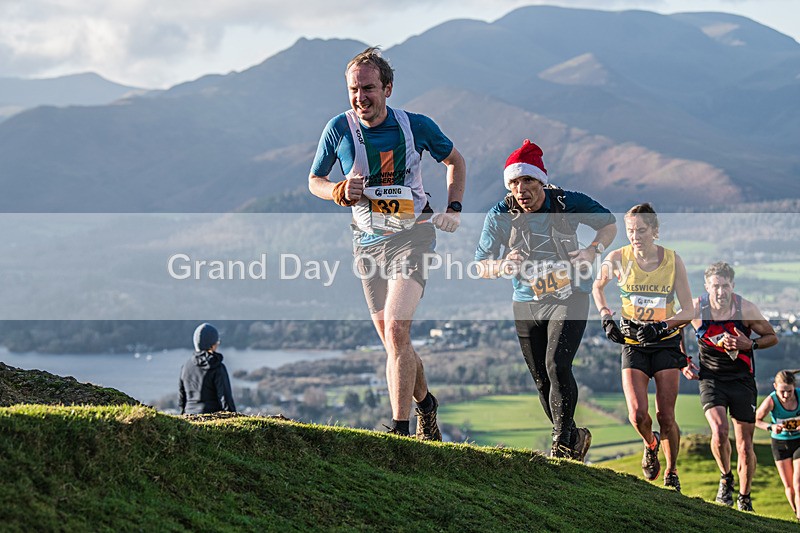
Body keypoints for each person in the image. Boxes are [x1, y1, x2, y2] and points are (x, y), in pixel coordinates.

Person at [308, 47, 466, 439]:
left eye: (368, 88)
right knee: (395, 341)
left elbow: (455, 162)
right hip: (367, 242)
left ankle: (399, 431)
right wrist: (338, 190)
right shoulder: (339, 129)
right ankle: (426, 405)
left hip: (413, 235)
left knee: (397, 328)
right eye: (353, 89)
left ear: (388, 89)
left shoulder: (415, 126)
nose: (360, 97)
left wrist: (455, 208)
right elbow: (315, 181)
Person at [476, 139, 616, 461]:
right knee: (541, 378)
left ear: (541, 180)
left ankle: (562, 448)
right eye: (513, 183)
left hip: (570, 295)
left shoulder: (566, 202)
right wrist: (500, 266)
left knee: (557, 365)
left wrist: (592, 250)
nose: (520, 189)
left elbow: (609, 223)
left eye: (527, 181)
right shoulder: (500, 213)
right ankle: (574, 435)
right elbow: (480, 264)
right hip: (526, 300)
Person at [592, 204, 694, 491]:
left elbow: (687, 310)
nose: (635, 236)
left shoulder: (673, 261)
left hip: (664, 343)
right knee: (637, 414)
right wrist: (605, 316)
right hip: (634, 342)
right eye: (630, 230)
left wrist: (662, 326)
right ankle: (651, 444)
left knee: (665, 415)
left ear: (655, 231)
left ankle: (671, 471)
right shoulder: (617, 258)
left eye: (641, 230)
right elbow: (597, 287)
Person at [685, 261, 778, 512]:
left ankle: (745, 498)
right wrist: (682, 361)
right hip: (711, 378)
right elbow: (673, 330)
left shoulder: (745, 308)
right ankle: (726, 478)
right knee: (718, 430)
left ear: (732, 286)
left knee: (745, 445)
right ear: (707, 286)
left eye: (725, 286)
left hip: (742, 381)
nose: (720, 291)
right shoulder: (697, 307)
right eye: (715, 286)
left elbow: (772, 336)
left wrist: (750, 344)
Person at [755, 369, 800, 521]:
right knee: (789, 486)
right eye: (782, 391)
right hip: (779, 442)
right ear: (775, 386)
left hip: (799, 441)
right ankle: (796, 513)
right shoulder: (771, 400)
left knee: (798, 481)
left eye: (789, 391)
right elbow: (757, 420)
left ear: (794, 386)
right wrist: (770, 427)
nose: (786, 395)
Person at [178, 323, 236, 415]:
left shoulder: (185, 366)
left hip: (188, 419)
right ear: (212, 345)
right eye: (217, 342)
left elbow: (182, 400)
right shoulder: (217, 366)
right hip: (212, 420)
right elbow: (226, 399)